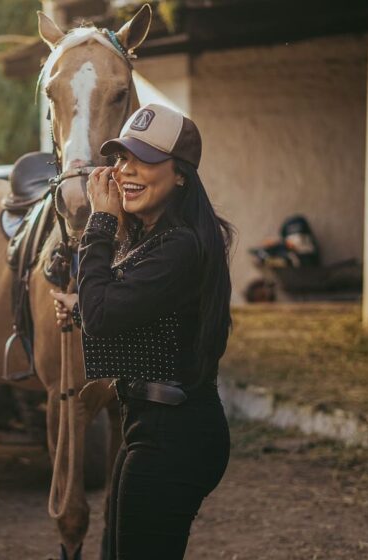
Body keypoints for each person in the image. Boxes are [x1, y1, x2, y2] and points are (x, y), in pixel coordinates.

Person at [50, 103, 235, 560]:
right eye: (121, 158)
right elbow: (134, 311)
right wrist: (79, 304)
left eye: (145, 160)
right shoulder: (157, 239)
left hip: (174, 434)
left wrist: (100, 222)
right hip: (152, 426)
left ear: (181, 176)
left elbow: (105, 315)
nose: (126, 170)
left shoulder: (180, 246)